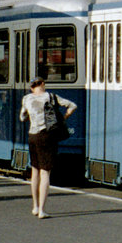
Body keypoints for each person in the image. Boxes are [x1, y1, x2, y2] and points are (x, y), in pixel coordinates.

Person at [19, 77, 75, 219]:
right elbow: (72, 105)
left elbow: (22, 117)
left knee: (35, 171)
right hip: (47, 136)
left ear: (32, 88)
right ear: (43, 84)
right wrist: (65, 117)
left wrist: (30, 116)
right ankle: (43, 210)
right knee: (45, 173)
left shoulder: (26, 98)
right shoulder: (51, 97)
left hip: (32, 136)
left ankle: (35, 206)